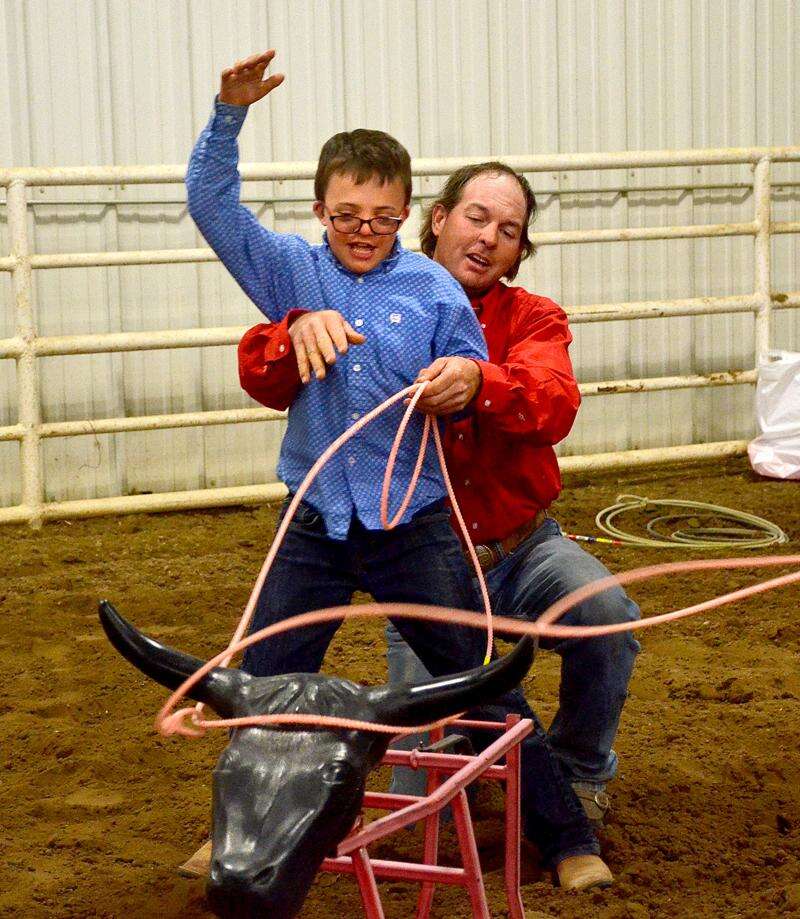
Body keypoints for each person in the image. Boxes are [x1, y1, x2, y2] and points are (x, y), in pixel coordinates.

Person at [188, 50, 610, 889]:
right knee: (264, 686)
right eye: (347, 215)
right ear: (320, 209)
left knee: (484, 683)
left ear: (408, 213)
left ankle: (566, 838)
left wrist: (461, 383)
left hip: (411, 521)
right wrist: (228, 115)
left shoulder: (437, 294)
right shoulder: (288, 271)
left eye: (381, 217)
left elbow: (468, 379)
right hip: (313, 516)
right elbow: (211, 204)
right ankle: (231, 835)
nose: (363, 231)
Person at [382, 161, 642, 828]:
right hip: (426, 565)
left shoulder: (533, 316)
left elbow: (553, 404)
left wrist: (481, 382)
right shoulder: (377, 304)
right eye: (476, 217)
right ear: (439, 219)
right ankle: (472, 752)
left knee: (606, 616)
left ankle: (580, 768)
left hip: (523, 547)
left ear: (518, 252)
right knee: (418, 802)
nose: (489, 237)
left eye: (509, 229)